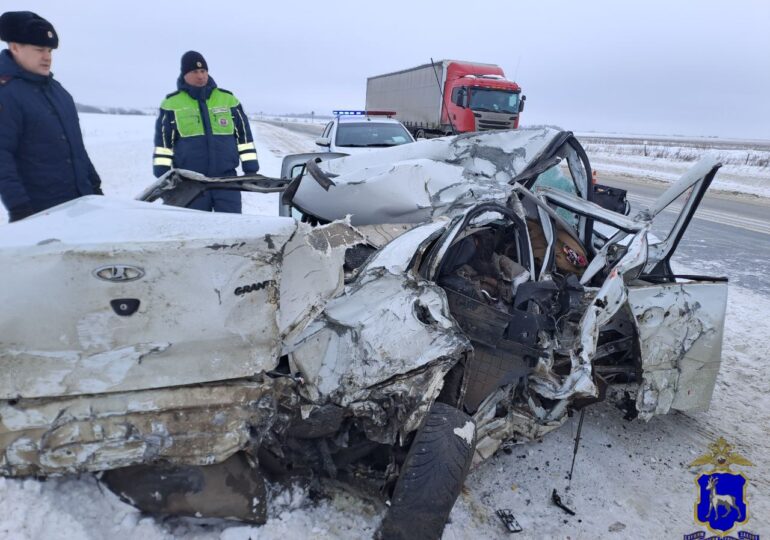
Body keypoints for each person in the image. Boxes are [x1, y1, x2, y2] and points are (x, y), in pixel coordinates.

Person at [0, 11, 102, 223]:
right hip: (40, 213)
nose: (47, 57)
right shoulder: (6, 93)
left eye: (49, 50)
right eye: (39, 50)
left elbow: (77, 148)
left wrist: (94, 186)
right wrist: (20, 208)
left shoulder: (59, 93)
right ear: (15, 47)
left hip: (81, 206)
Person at [153, 51, 259, 213]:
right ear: (185, 74)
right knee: (196, 231)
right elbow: (163, 144)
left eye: (203, 71)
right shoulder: (171, 104)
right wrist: (163, 175)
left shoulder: (228, 99)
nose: (201, 76)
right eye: (195, 72)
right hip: (190, 184)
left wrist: (250, 166)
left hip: (227, 181)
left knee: (232, 229)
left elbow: (244, 136)